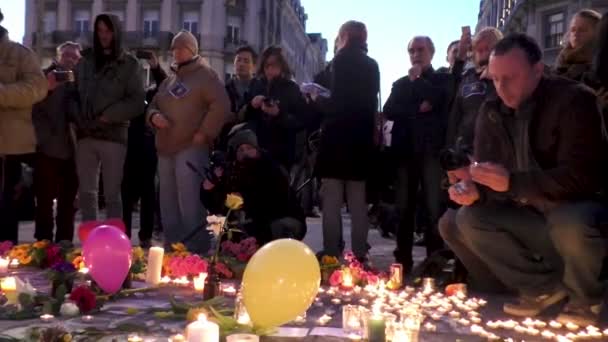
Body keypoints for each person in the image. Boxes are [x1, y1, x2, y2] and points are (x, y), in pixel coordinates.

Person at [449, 33, 608, 325]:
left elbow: (583, 178)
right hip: (532, 219)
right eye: (495, 79)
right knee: (465, 218)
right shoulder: (492, 110)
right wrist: (475, 191)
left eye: (510, 77)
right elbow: (491, 182)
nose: (501, 88)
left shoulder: (574, 100)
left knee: (569, 221)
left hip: (578, 216)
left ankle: (587, 301)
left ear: (538, 70)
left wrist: (512, 183)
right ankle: (544, 289)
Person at [147, 30, 231, 254]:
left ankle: (196, 250)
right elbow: (153, 104)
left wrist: (204, 133)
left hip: (191, 148)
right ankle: (174, 249)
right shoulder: (169, 80)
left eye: (181, 47)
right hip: (166, 149)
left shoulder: (206, 75)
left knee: (190, 202)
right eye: (174, 48)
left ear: (192, 49)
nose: (176, 52)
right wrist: (153, 117)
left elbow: (221, 105)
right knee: (168, 203)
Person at [439, 27, 505, 291]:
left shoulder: (501, 78)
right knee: (456, 210)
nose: (482, 52)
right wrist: (450, 156)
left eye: (487, 47)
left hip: (491, 158)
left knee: (483, 213)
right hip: (462, 154)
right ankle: (462, 268)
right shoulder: (467, 78)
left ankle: (494, 273)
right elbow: (454, 114)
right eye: (478, 48)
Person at [383, 36, 455, 270]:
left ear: (431, 52)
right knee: (404, 208)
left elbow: (440, 100)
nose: (415, 54)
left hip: (431, 152)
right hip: (405, 153)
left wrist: (418, 82)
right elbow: (390, 109)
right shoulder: (400, 84)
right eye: (411, 50)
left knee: (434, 207)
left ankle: (434, 259)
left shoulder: (442, 79)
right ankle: (402, 257)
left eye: (420, 50)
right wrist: (418, 108)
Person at [311, 21, 380, 261]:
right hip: (360, 143)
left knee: (331, 202)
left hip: (336, 141)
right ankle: (359, 255)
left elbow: (338, 103)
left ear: (344, 36)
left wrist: (316, 97)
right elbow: (371, 105)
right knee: (358, 203)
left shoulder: (340, 61)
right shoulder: (372, 65)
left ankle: (332, 253)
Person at [72, 14, 145, 222]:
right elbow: (72, 94)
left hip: (113, 135)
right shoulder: (84, 61)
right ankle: (89, 241)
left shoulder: (130, 64)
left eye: (108, 30)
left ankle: (114, 244)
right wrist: (79, 118)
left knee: (113, 194)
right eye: (100, 31)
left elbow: (137, 102)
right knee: (87, 193)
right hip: (86, 133)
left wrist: (108, 116)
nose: (104, 35)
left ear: (116, 32)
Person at [201, 129, 306, 245]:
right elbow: (215, 205)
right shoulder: (233, 171)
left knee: (276, 230)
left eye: (249, 148)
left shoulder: (270, 167)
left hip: (280, 220)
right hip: (249, 225)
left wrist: (244, 198)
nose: (245, 152)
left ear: (256, 150)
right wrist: (208, 188)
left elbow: (273, 200)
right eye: (241, 150)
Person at [0, 8, 48, 244]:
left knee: (5, 210)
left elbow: (37, 88)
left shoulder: (20, 55)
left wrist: (2, 93)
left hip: (9, 148)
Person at [31, 41, 81, 243]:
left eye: (74, 56)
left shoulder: (82, 81)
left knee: (67, 202)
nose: (70, 59)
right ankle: (42, 242)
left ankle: (64, 242)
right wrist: (49, 88)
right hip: (47, 150)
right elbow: (33, 108)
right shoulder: (44, 77)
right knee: (43, 200)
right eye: (66, 55)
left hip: (73, 150)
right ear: (58, 56)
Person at [122, 51, 167, 247]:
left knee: (148, 195)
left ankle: (146, 236)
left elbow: (163, 85)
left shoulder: (149, 96)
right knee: (125, 196)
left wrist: (156, 66)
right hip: (125, 151)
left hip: (147, 151)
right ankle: (123, 236)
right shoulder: (122, 96)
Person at [242, 46, 308, 171]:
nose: (270, 70)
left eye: (275, 65)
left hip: (281, 153)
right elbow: (242, 117)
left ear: (282, 66)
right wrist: (251, 105)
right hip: (255, 149)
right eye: (267, 66)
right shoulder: (255, 85)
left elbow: (300, 121)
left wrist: (279, 114)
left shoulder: (291, 88)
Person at [555, 9, 602, 82]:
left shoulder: (602, 66)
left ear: (597, 33)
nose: (575, 34)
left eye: (582, 30)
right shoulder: (559, 64)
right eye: (573, 30)